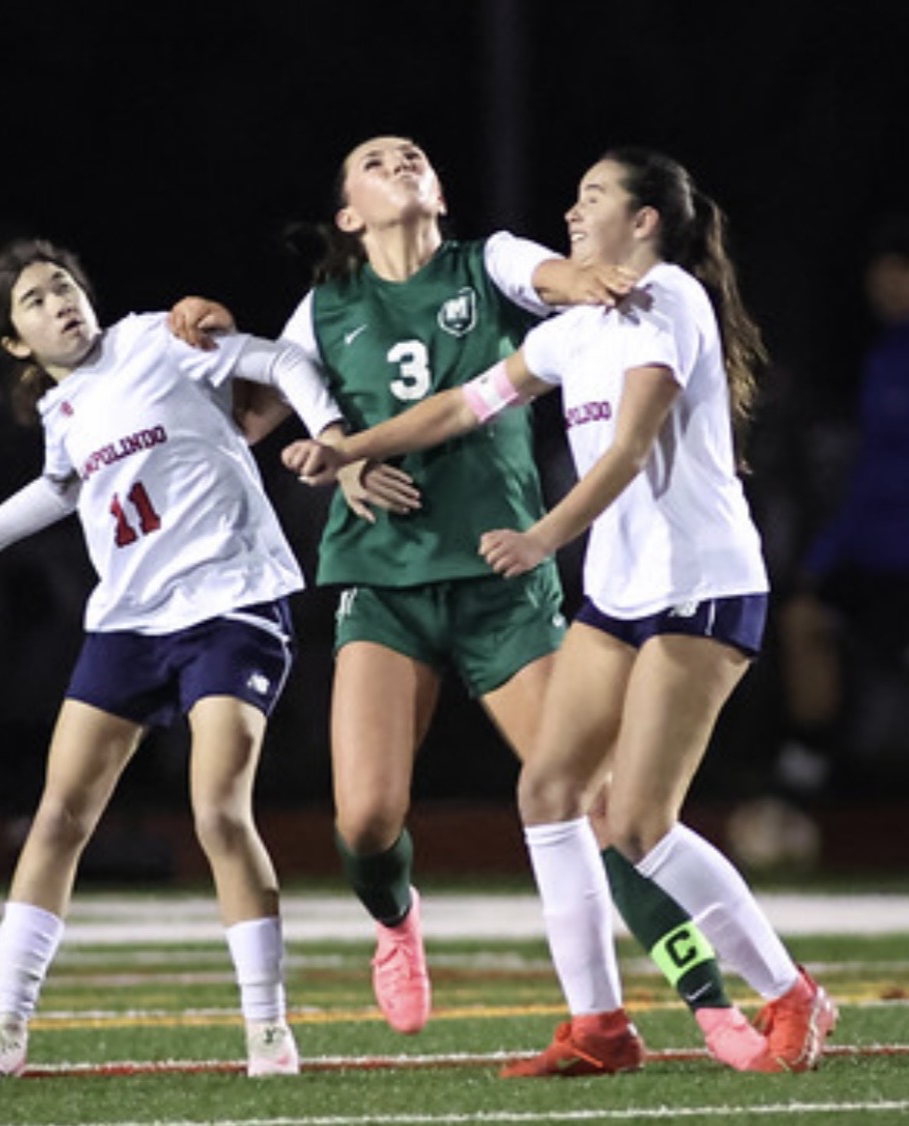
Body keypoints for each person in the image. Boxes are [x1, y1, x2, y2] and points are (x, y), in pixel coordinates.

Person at [170, 134, 755, 1058]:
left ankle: (707, 998)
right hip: (384, 579)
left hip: (502, 582)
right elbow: (250, 419)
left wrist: (590, 279)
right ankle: (397, 921)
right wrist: (205, 335)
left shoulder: (489, 264)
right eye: (374, 161)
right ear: (348, 215)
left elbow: (556, 277)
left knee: (594, 805)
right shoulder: (326, 309)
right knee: (364, 817)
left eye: (414, 155)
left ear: (438, 191)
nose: (401, 162)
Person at [283, 147, 839, 1075]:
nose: (573, 211)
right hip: (617, 595)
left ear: (647, 219)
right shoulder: (575, 330)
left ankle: (789, 993)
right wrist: (345, 449)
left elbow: (628, 448)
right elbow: (462, 405)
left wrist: (541, 538)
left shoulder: (668, 301)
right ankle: (598, 1029)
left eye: (592, 197)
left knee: (638, 823)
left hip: (695, 587)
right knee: (548, 794)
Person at [0, 238, 346, 1082]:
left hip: (231, 602)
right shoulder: (61, 409)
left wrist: (333, 433)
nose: (60, 304)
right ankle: (5, 1033)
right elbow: (58, 488)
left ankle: (268, 1031)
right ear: (16, 343)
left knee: (218, 814)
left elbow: (278, 361)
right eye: (36, 302)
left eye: (64, 287)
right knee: (58, 818)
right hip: (129, 621)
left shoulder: (157, 337)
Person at [772, 216, 909, 801]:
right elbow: (873, 473)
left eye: (897, 274)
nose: (884, 286)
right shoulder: (882, 358)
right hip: (876, 549)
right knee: (804, 617)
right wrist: (828, 554)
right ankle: (806, 771)